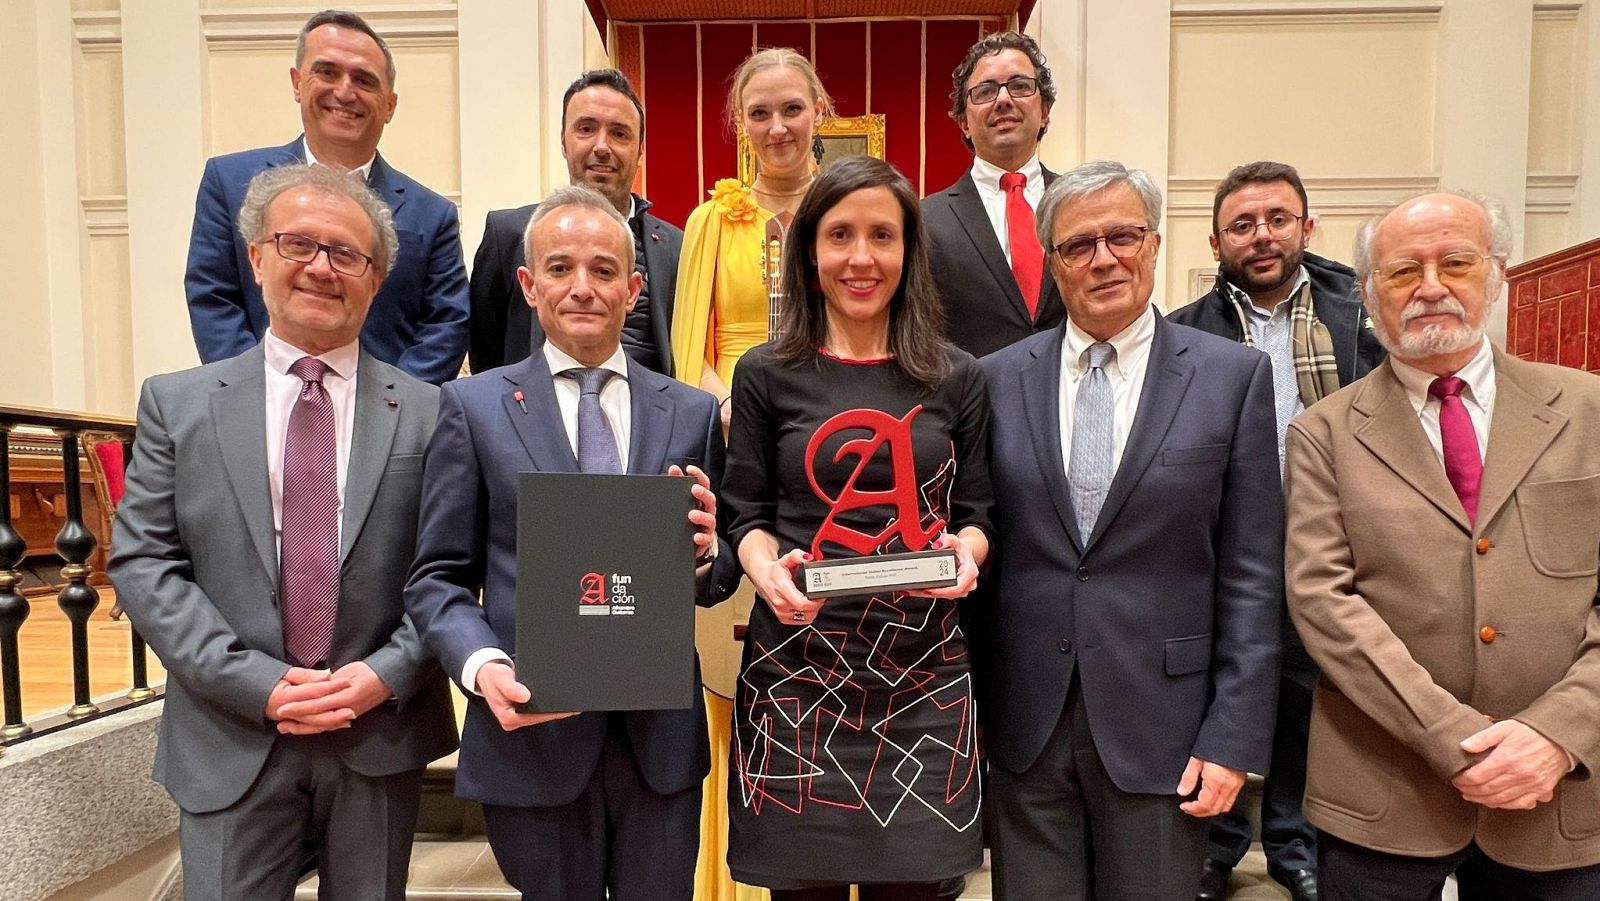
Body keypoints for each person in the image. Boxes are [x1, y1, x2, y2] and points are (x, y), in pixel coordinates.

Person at [109, 163, 458, 900]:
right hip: (230, 731)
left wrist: (387, 672)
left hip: (377, 729)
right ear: (257, 256)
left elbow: (449, 570)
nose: (322, 268)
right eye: (299, 244)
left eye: (347, 254)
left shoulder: (431, 414)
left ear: (377, 276)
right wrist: (256, 682)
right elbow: (145, 562)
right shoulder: (178, 404)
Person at [403, 185, 736, 901]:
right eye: (559, 268)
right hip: (533, 734)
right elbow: (436, 576)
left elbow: (719, 572)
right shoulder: (473, 406)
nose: (582, 287)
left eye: (603, 269)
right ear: (527, 284)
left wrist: (708, 552)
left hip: (659, 746)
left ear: (634, 288)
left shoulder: (692, 412)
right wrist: (482, 666)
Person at [974, 160, 1283, 901]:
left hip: (1167, 728)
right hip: (1027, 727)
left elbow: (1251, 574)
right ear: (1053, 263)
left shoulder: (1230, 377)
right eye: (1079, 245)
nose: (1103, 258)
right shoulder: (991, 379)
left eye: (1123, 236)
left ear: (1153, 245)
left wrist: (1233, 737)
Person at [1285, 190, 1600, 901]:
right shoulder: (1324, 434)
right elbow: (1323, 603)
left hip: (1563, 793)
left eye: (1455, 262)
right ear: (1368, 294)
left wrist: (1555, 735)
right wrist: (1455, 737)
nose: (1430, 287)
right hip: (1383, 793)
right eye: (1401, 272)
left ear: (1497, 274)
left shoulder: (1589, 412)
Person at [720, 155, 993, 901]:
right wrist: (765, 568)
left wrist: (964, 556)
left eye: (883, 234)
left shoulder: (957, 375)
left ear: (910, 252)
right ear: (811, 250)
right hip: (798, 678)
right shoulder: (764, 373)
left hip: (924, 685)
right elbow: (746, 512)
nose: (861, 257)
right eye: (840, 234)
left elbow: (976, 515)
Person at [1168, 160, 1385, 901]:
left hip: (1331, 538)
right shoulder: (1184, 331)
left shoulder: (1359, 315)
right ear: (1216, 239)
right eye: (1242, 225)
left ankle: (1293, 844)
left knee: (1306, 697)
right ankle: (1219, 843)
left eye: (1277, 220)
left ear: (1305, 226)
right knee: (1219, 689)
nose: (1261, 237)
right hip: (1226, 545)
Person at [669, 46, 833, 901]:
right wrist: (739, 403)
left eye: (792, 109)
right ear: (739, 123)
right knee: (727, 672)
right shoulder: (711, 221)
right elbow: (685, 347)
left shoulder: (850, 210)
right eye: (758, 112)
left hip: (830, 452)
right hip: (737, 447)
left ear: (819, 112)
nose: (776, 127)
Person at [185, 8, 469, 385]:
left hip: (385, 427)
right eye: (328, 72)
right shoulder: (229, 182)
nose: (345, 92)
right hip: (257, 416)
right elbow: (213, 298)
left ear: (389, 105)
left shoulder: (432, 214)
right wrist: (259, 393)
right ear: (297, 83)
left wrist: (393, 409)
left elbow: (446, 324)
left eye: (364, 80)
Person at [469, 69, 680, 375]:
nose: (602, 146)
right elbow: (485, 356)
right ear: (564, 142)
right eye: (586, 129)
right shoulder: (507, 237)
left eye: (619, 133)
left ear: (640, 150)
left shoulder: (676, 247)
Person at [922, 31, 1065, 358]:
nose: (1003, 100)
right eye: (985, 91)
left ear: (1044, 110)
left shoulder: (1081, 206)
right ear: (964, 123)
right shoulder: (924, 220)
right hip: (970, 404)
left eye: (1019, 86)